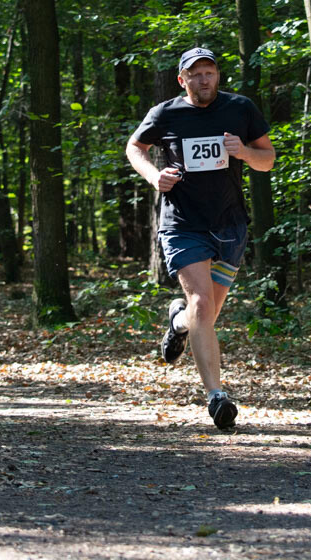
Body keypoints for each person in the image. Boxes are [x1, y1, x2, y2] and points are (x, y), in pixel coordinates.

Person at [126, 47, 275, 430]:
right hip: (183, 223)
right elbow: (135, 147)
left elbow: (267, 160)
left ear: (217, 75)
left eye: (209, 72)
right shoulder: (165, 113)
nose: (204, 79)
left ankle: (178, 323)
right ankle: (216, 397)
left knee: (203, 316)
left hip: (230, 226)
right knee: (201, 303)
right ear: (182, 80)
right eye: (195, 74)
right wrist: (153, 176)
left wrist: (244, 151)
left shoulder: (240, 108)